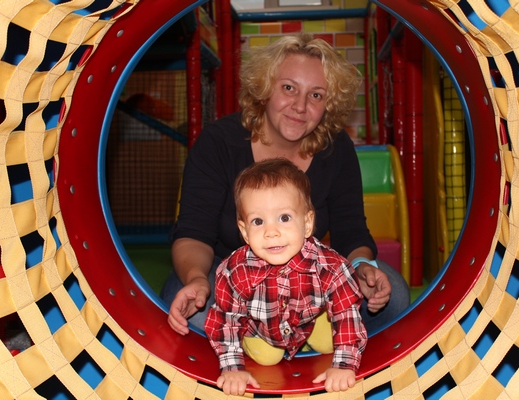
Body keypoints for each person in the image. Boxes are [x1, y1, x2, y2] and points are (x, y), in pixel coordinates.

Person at [163, 33, 409, 338]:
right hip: (230, 277)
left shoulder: (335, 148)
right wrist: (197, 279)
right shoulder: (220, 142)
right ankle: (269, 334)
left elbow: (351, 231)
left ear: (328, 104)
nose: (300, 106)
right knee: (196, 313)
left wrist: (361, 266)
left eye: (316, 95)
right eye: (289, 88)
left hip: (308, 279)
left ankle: (297, 330)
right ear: (266, 88)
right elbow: (193, 233)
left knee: (393, 295)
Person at [204, 158, 367, 395]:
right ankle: (259, 342)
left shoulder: (329, 267)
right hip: (264, 330)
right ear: (244, 232)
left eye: (284, 218)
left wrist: (344, 366)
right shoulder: (235, 271)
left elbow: (347, 313)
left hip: (309, 320)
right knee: (268, 358)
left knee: (331, 343)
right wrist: (232, 368)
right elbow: (226, 320)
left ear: (307, 223)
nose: (271, 232)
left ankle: (315, 329)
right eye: (258, 221)